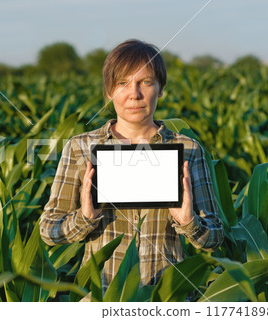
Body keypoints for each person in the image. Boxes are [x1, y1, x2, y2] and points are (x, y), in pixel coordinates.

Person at [39, 39, 224, 297]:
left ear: (160, 89)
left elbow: (215, 236)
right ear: (108, 91)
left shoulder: (188, 150)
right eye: (122, 83)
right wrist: (84, 218)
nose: (134, 94)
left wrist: (189, 222)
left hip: (168, 296)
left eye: (145, 82)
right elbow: (49, 230)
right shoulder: (80, 148)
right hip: (102, 296)